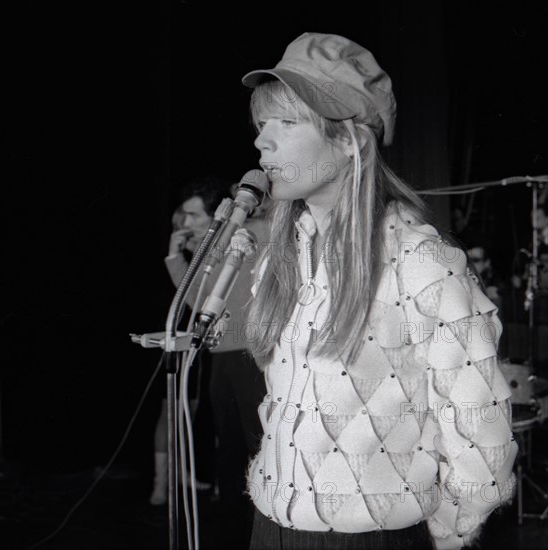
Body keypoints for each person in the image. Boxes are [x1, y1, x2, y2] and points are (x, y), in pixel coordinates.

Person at [239, 32, 518, 550]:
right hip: (272, 528)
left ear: (350, 141)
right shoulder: (283, 256)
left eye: (287, 122)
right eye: (261, 124)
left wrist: (443, 534)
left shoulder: (420, 260)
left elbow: (482, 436)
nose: (262, 142)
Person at [158, 176, 269, 548]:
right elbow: (200, 304)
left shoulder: (251, 231)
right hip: (222, 355)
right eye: (183, 216)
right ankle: (233, 528)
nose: (184, 223)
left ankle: (265, 525)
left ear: (215, 211)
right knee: (230, 447)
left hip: (254, 354)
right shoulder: (209, 249)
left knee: (258, 444)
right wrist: (177, 260)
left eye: (192, 215)